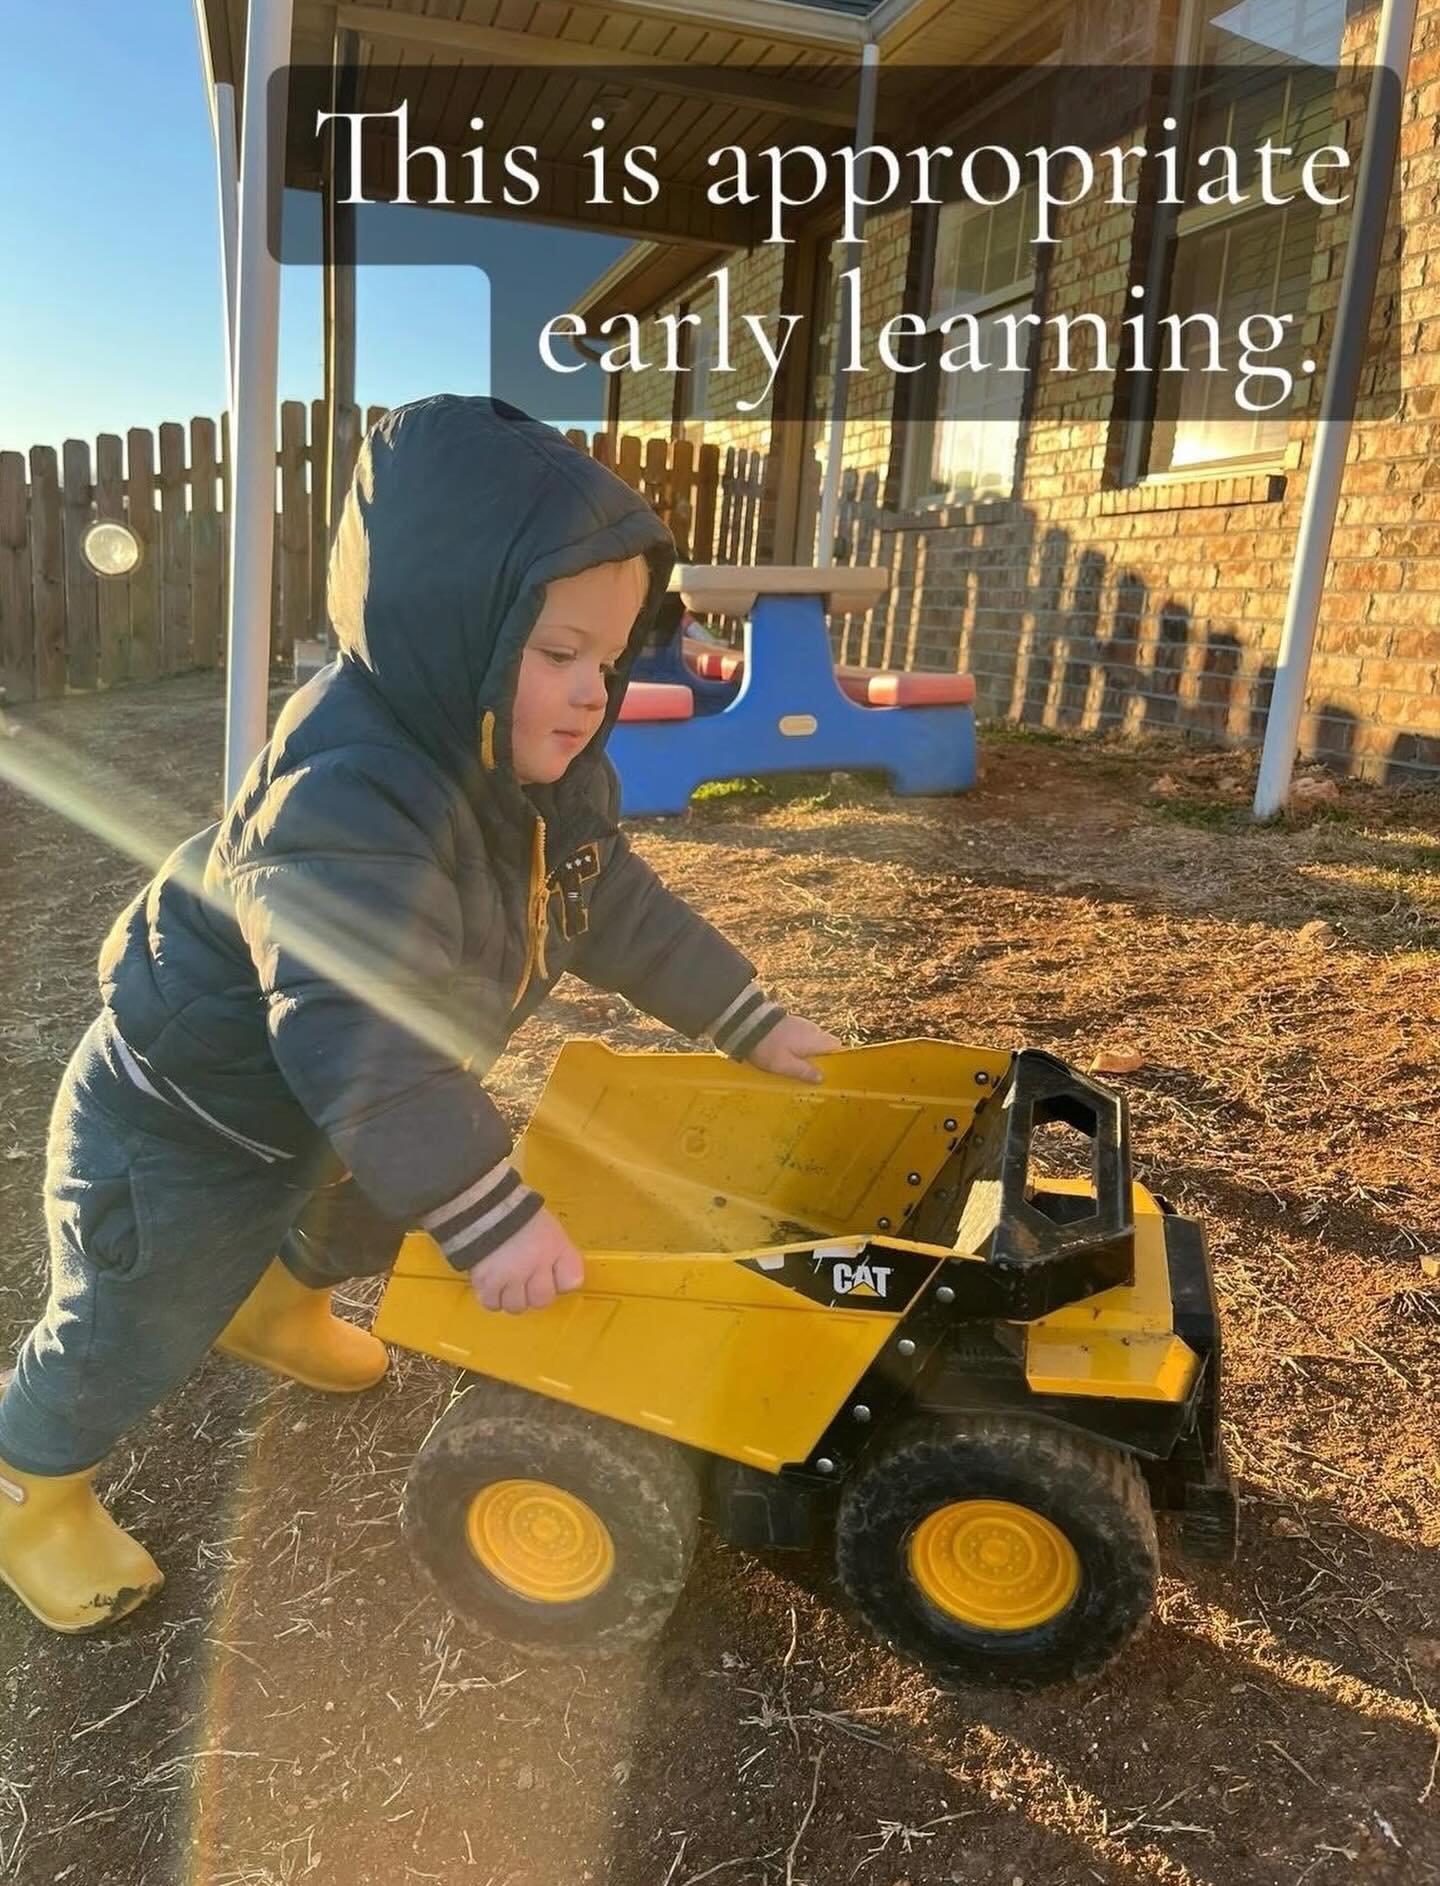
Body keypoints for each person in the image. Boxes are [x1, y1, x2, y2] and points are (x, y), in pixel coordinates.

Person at [0, 396, 839, 1634]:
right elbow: (354, 1025)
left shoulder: (541, 774)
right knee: (135, 1318)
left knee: (376, 1197)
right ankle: (27, 1485)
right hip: (189, 1120)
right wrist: (491, 1213)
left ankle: (273, 1307)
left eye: (609, 659)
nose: (592, 691)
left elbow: (615, 906)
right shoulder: (345, 793)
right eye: (557, 652)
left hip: (334, 1110)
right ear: (450, 628)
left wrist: (748, 1016)